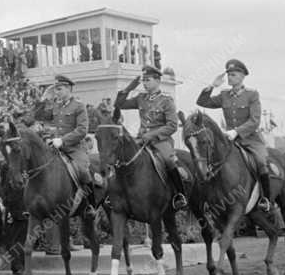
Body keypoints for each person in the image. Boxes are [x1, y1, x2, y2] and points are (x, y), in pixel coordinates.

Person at [196, 59, 273, 212]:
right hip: (229, 141)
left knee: (261, 162)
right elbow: (202, 102)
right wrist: (212, 86)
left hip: (250, 139)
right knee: (211, 161)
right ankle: (211, 200)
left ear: (242, 76)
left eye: (233, 74)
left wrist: (236, 131)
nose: (230, 77)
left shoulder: (252, 95)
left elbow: (255, 121)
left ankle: (266, 199)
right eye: (229, 74)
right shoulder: (224, 95)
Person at [115, 65, 187, 210]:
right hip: (141, 140)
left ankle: (180, 195)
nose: (145, 83)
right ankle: (118, 194)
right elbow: (119, 104)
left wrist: (151, 135)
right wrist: (128, 89)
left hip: (160, 141)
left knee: (168, 160)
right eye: (143, 80)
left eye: (148, 80)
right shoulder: (141, 98)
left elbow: (172, 125)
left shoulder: (167, 100)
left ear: (157, 81)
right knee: (121, 158)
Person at [24, 74, 94, 198]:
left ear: (68, 89)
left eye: (59, 89)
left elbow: (82, 130)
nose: (56, 92)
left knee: (83, 173)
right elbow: (38, 116)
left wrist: (63, 140)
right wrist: (43, 100)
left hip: (75, 149)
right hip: (55, 148)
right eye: (56, 89)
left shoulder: (79, 106)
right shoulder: (56, 105)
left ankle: (90, 206)